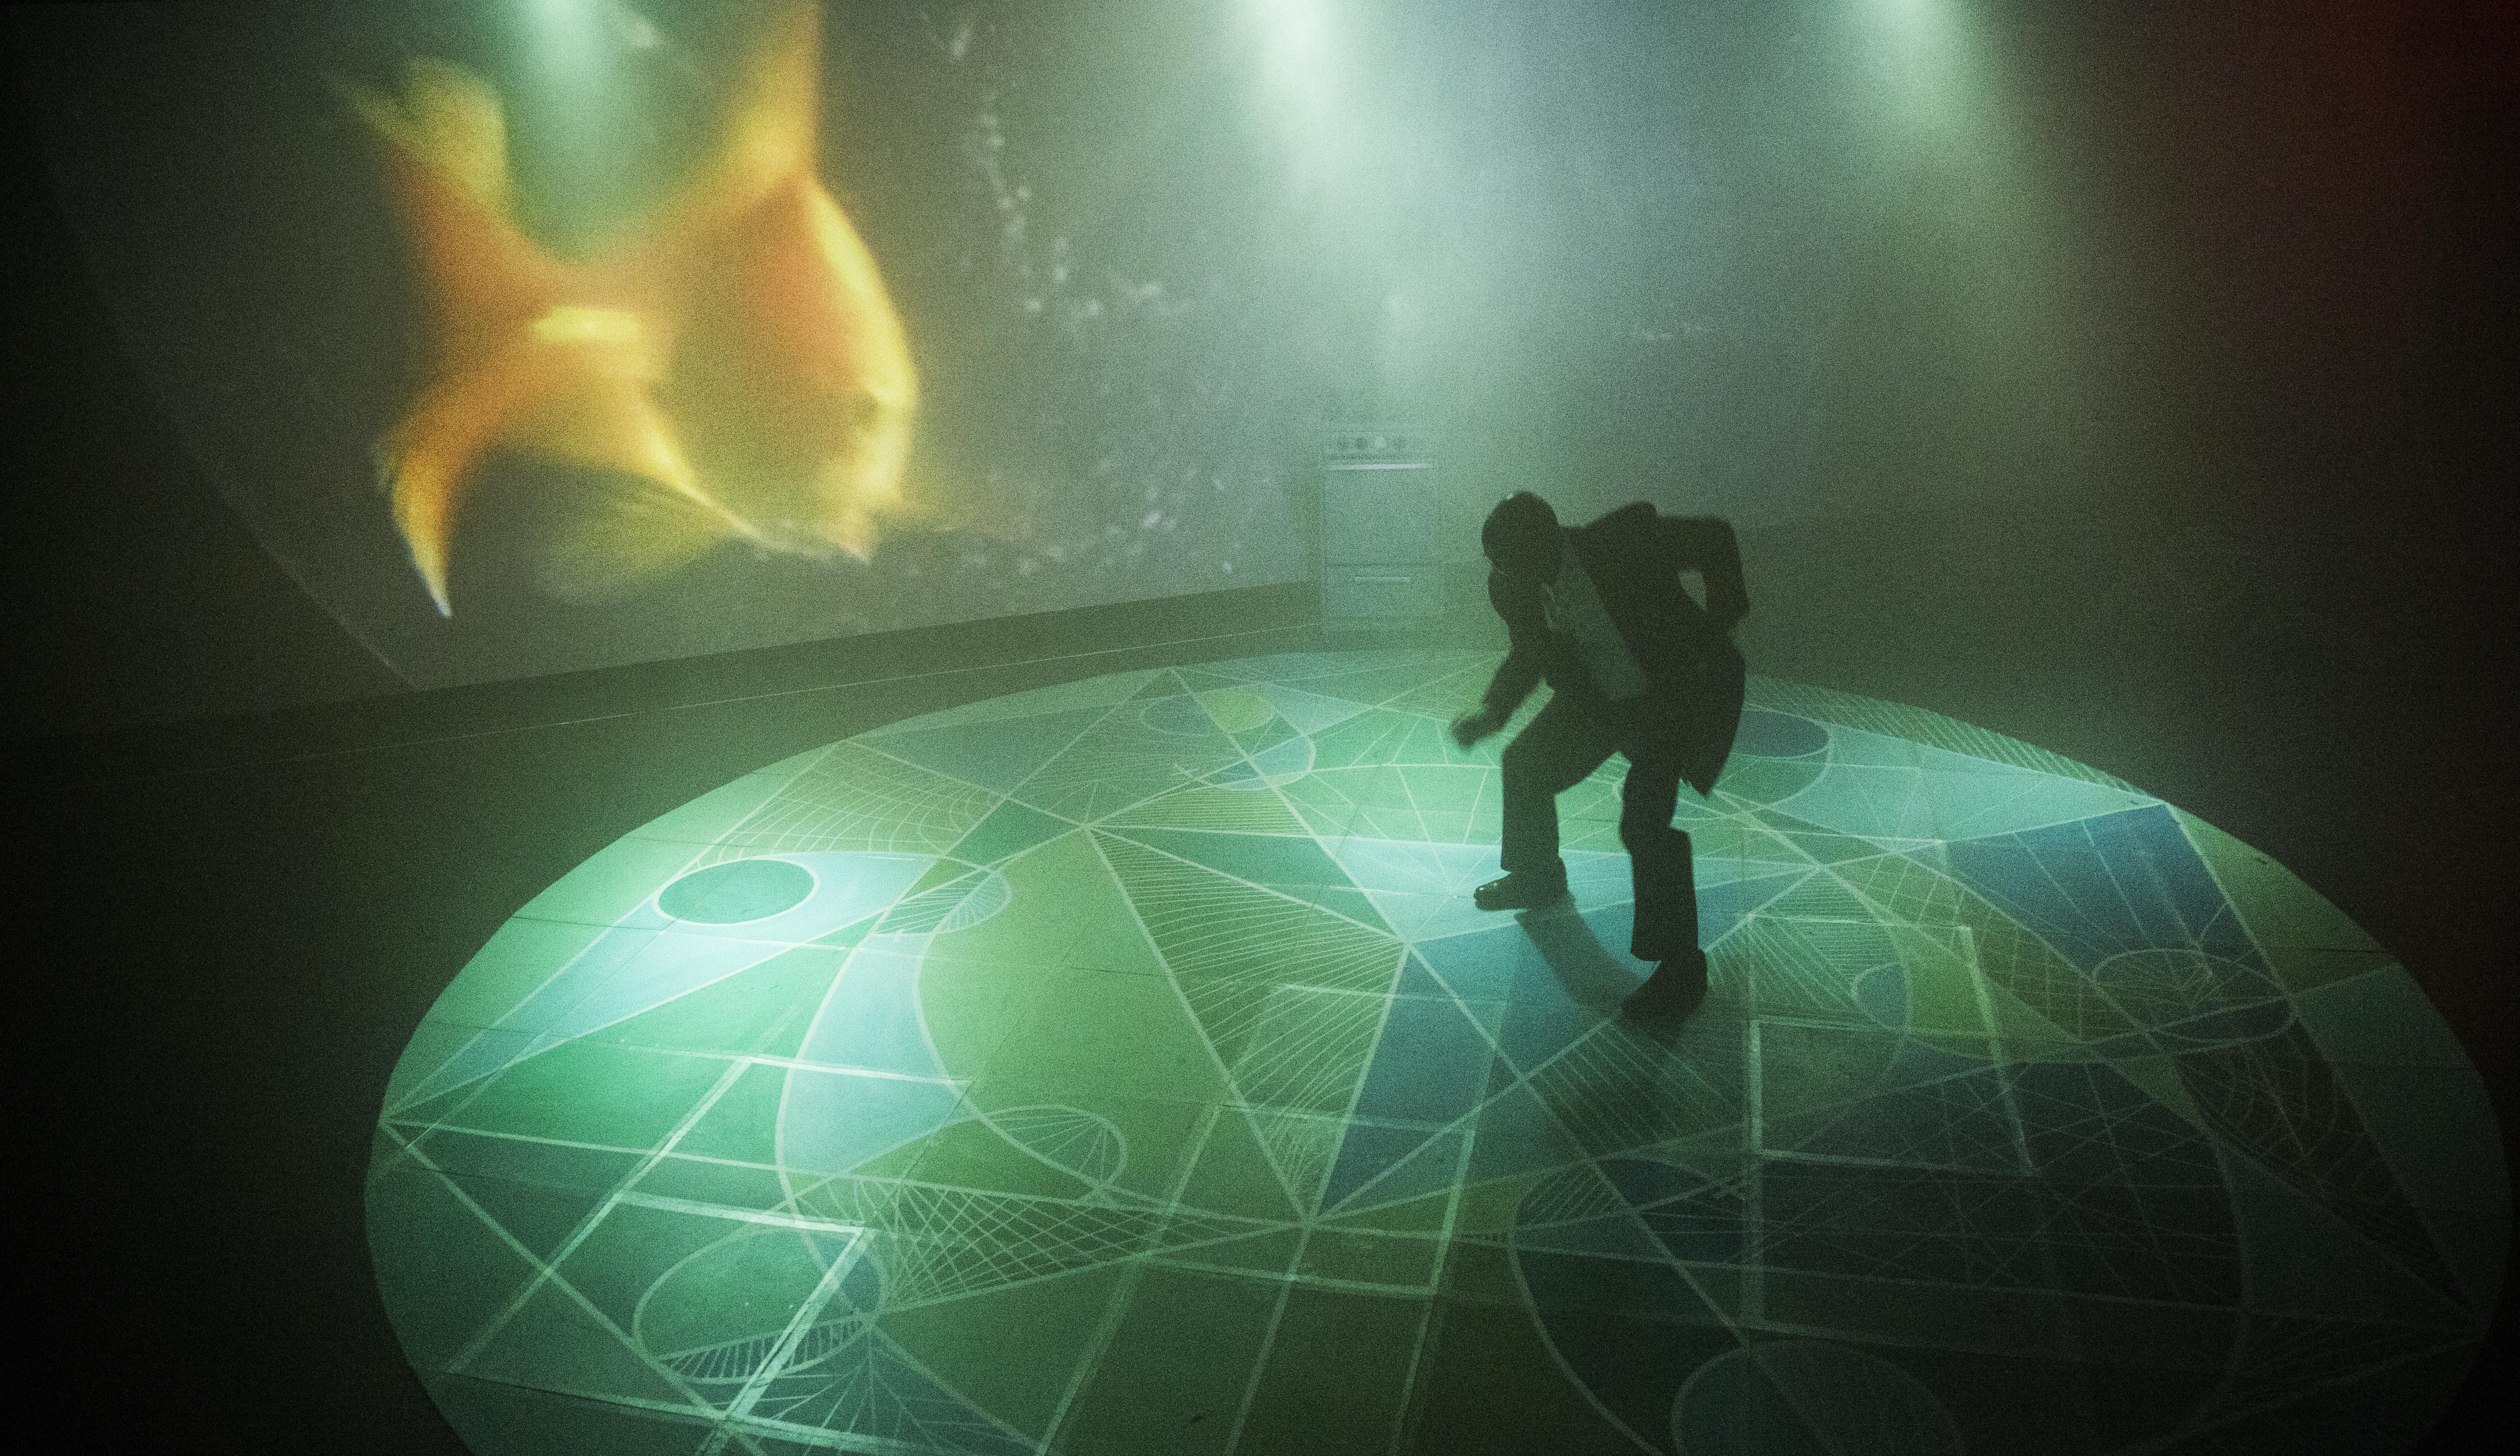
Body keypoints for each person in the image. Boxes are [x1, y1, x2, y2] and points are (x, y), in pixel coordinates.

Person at [1449, 492, 1748, 1015]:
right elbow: (1529, 652)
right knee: (1526, 765)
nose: (1498, 576)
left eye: (1508, 563)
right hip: (1597, 699)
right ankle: (1539, 874)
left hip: (1667, 695)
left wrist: (1718, 623)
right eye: (1495, 564)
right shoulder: (1512, 585)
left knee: (1645, 826)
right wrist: (1492, 711)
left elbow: (1715, 537)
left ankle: (1683, 967)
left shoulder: (1621, 545)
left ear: (1542, 548)